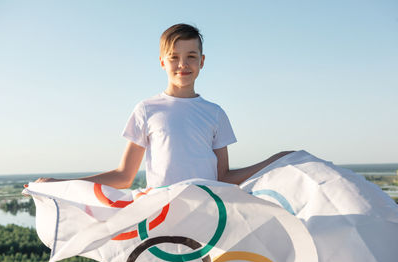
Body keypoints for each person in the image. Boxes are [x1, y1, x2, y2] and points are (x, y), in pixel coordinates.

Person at [35, 23, 293, 188]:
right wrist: (61, 184)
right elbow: (124, 176)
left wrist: (276, 160)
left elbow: (223, 178)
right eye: (174, 57)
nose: (183, 64)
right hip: (161, 218)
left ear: (202, 61)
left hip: (208, 217)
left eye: (191, 56)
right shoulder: (147, 109)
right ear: (162, 62)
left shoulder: (215, 114)